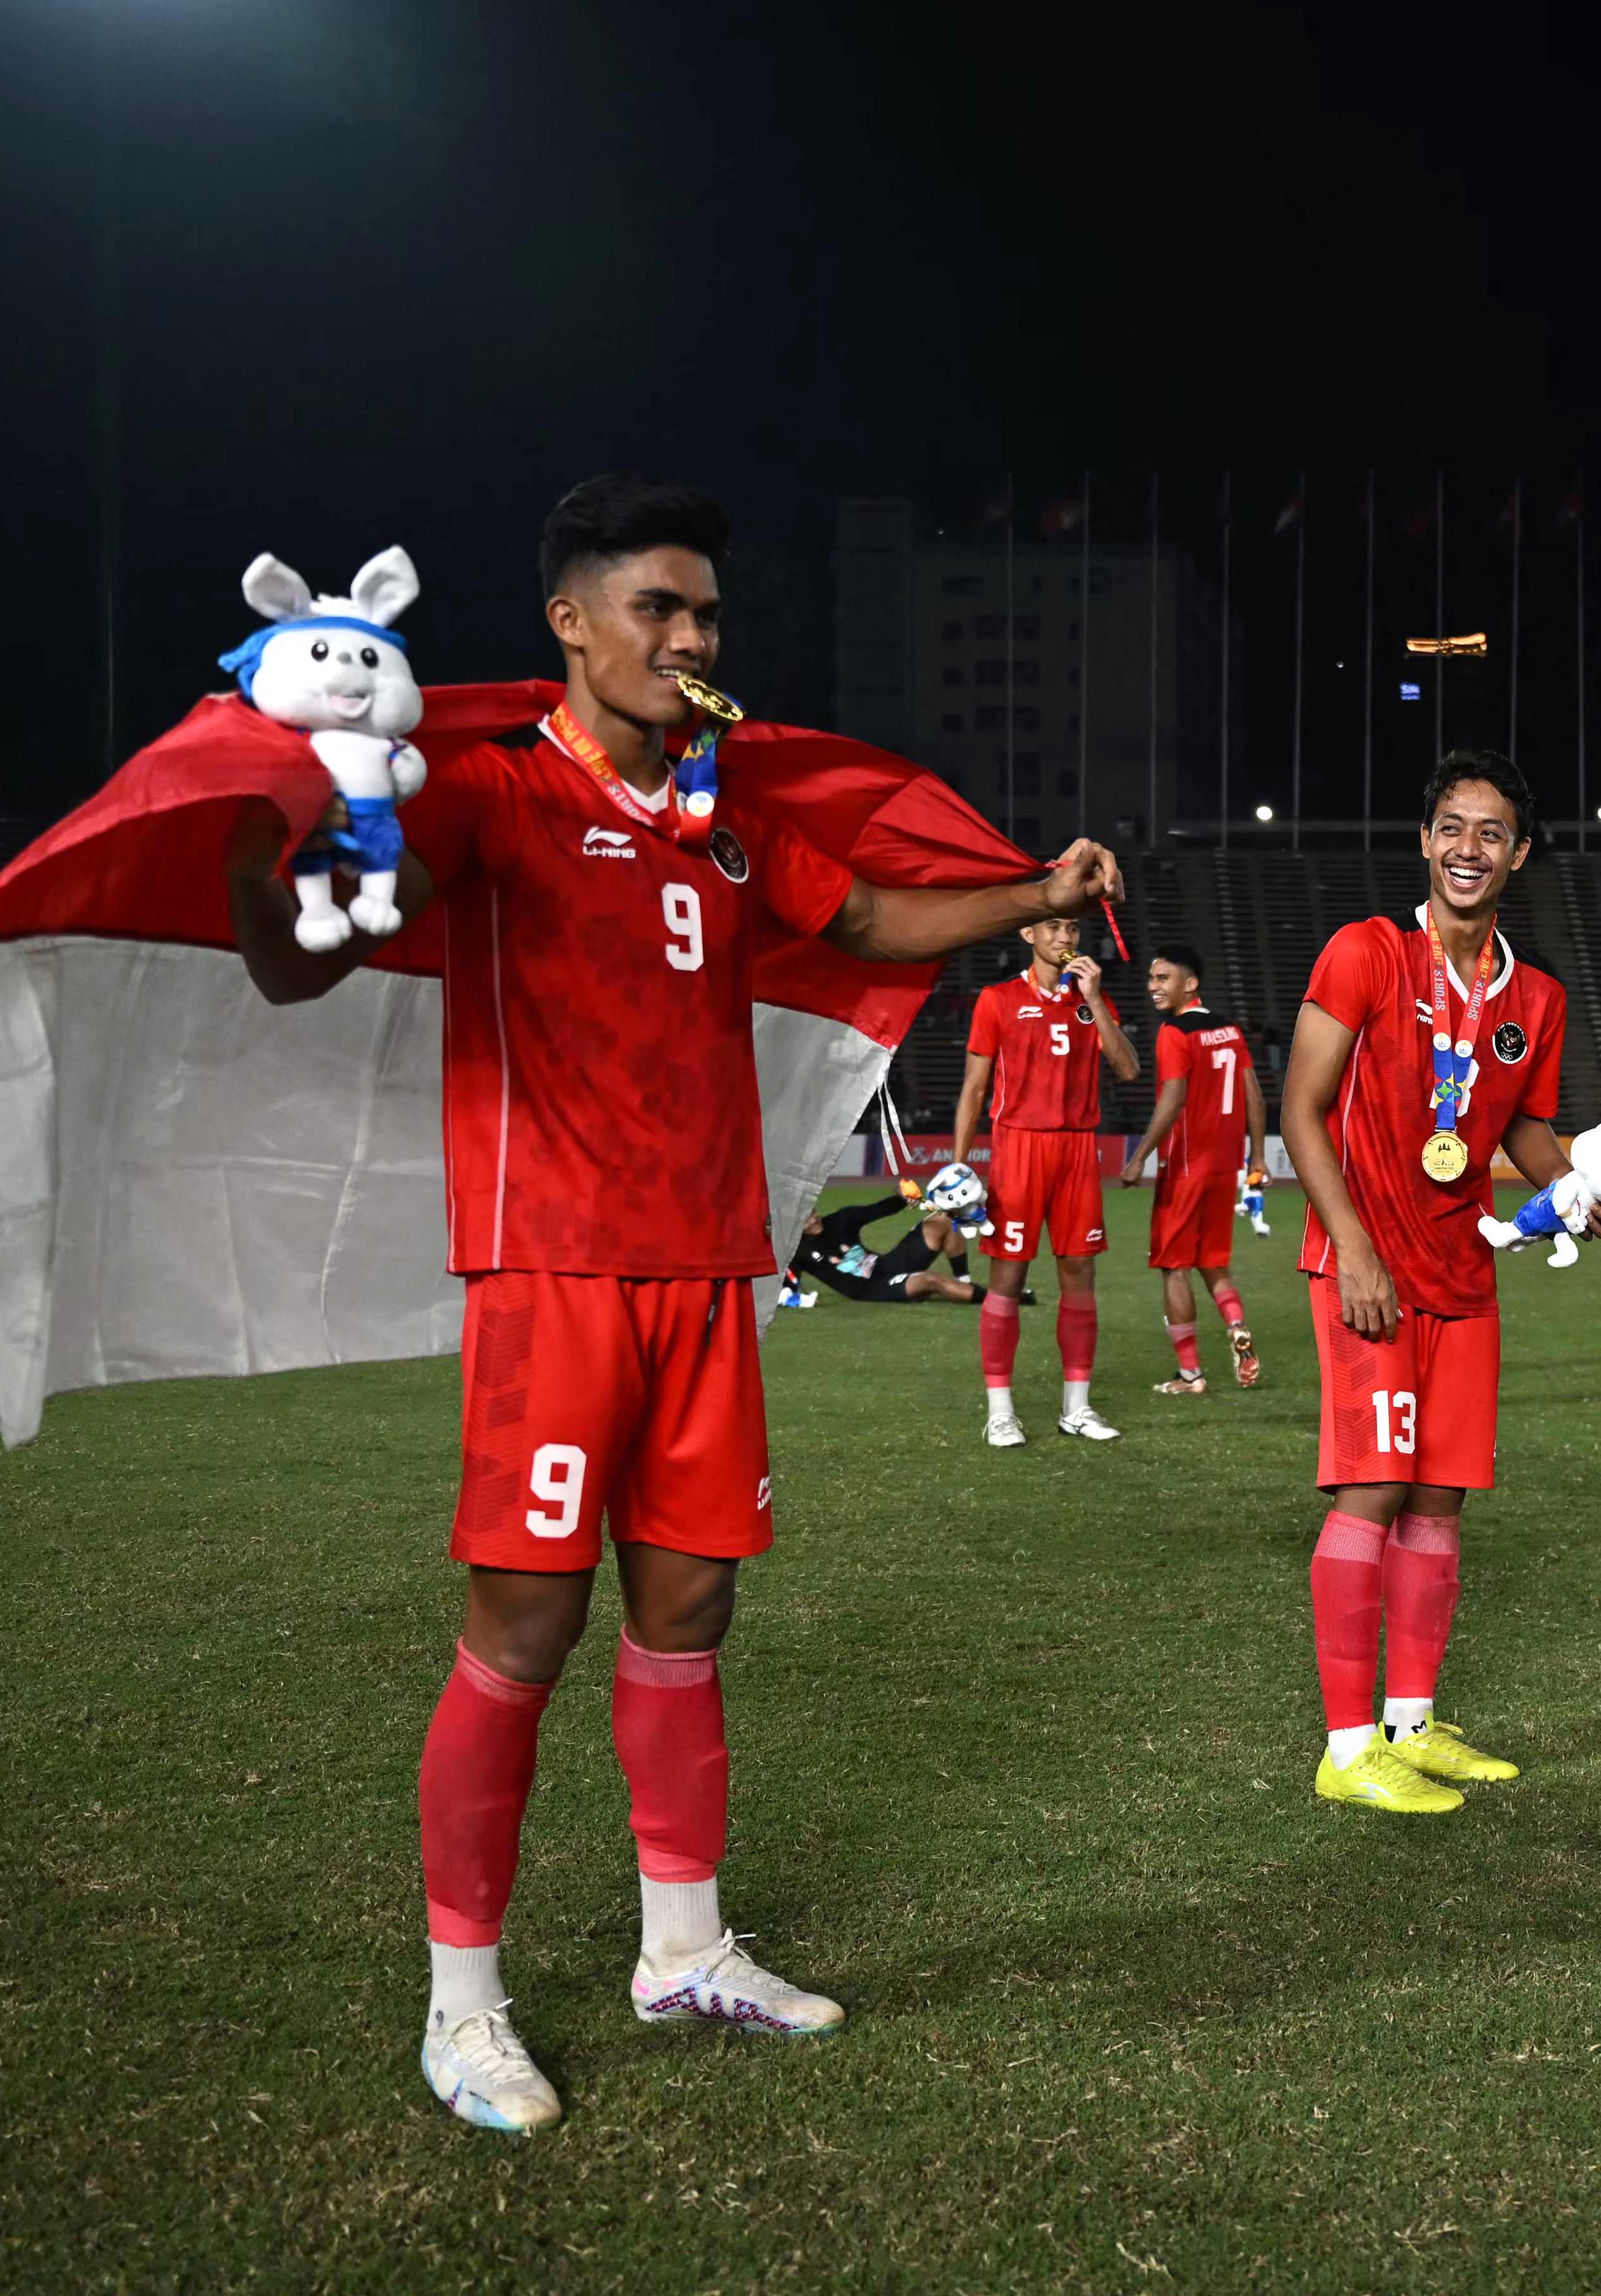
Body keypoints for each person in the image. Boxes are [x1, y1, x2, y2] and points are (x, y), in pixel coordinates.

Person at [220, 472, 1122, 2134]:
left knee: (689, 1612)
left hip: (711, 1271)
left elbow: (856, 913)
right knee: (525, 1630)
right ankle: (461, 2001)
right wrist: (263, 853)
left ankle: (683, 1950)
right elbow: (306, 950)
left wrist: (1036, 901)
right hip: (553, 1272)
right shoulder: (487, 802)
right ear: (568, 622)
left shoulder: (718, 818)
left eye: (705, 611)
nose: (692, 637)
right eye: (657, 607)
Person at [1278, 749, 1598, 1815]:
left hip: (1463, 1273)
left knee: (1437, 1503)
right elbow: (1299, 1112)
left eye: (1491, 832)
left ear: (1518, 853)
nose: (1469, 848)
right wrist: (1353, 1246)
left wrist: (1584, 1188)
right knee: (1370, 1491)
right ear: (1424, 842)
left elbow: (1523, 1129)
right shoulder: (1364, 953)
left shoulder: (1535, 997)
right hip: (1365, 1267)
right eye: (1452, 828)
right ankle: (1343, 1744)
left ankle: (1410, 1727)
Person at [950, 914, 1139, 1445]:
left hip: (1078, 1149)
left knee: (1080, 1277)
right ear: (1028, 935)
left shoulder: (1088, 1000)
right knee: (1007, 1279)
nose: (1065, 937)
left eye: (1073, 930)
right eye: (1053, 927)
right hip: (1018, 1148)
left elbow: (1127, 1068)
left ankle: (1076, 1408)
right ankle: (1000, 1411)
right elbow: (973, 1089)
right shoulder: (998, 999)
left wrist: (1096, 999)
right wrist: (960, 1162)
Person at [1120, 942, 1267, 1393]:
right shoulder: (1229, 1031)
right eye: (1151, 978)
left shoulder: (1174, 1033)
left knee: (1175, 1267)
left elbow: (1173, 1098)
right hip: (1225, 1166)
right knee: (1213, 1261)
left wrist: (1141, 1155)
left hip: (1185, 1166)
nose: (1153, 987)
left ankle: (1190, 1374)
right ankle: (1237, 1324)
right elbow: (1253, 1094)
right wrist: (1257, 1156)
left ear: (1191, 984)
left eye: (1163, 978)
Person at [783, 1187, 980, 1307]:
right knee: (931, 1280)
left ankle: (963, 1281)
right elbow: (788, 1288)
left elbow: (879, 1210)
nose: (814, 1219)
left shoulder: (841, 1220)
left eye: (814, 1212)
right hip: (872, 1289)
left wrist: (902, 1196)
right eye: (805, 1220)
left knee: (944, 1218)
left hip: (888, 1265)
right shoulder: (796, 1251)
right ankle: (993, 1300)